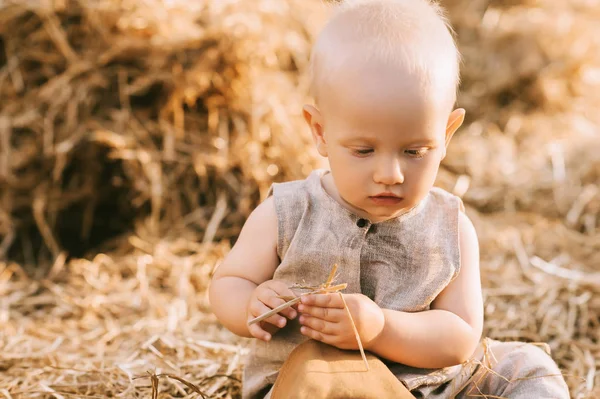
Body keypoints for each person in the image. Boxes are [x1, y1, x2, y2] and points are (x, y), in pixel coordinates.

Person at [209, 0, 570, 397]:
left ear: (446, 134)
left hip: (431, 387)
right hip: (315, 384)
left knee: (525, 366)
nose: (390, 174)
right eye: (364, 151)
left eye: (414, 151)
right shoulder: (287, 212)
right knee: (320, 375)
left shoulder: (449, 226)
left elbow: (458, 337)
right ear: (320, 131)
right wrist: (251, 305)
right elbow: (229, 282)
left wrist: (381, 327)